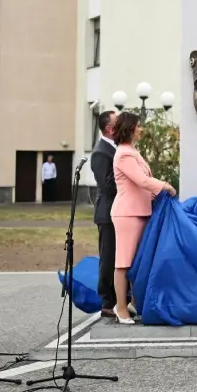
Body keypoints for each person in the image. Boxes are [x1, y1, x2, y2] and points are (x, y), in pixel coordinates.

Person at [111, 111, 177, 324]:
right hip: (128, 214)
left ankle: (135, 303)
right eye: (138, 126)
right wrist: (164, 186)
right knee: (123, 262)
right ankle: (121, 307)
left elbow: (143, 183)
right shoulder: (124, 154)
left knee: (137, 262)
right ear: (129, 128)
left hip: (141, 212)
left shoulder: (132, 152)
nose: (141, 129)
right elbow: (141, 180)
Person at [90, 110, 118, 318]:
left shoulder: (115, 148)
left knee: (118, 256)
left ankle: (120, 298)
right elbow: (107, 184)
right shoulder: (101, 152)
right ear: (109, 128)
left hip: (119, 210)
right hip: (108, 212)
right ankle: (107, 302)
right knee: (108, 257)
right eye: (118, 122)